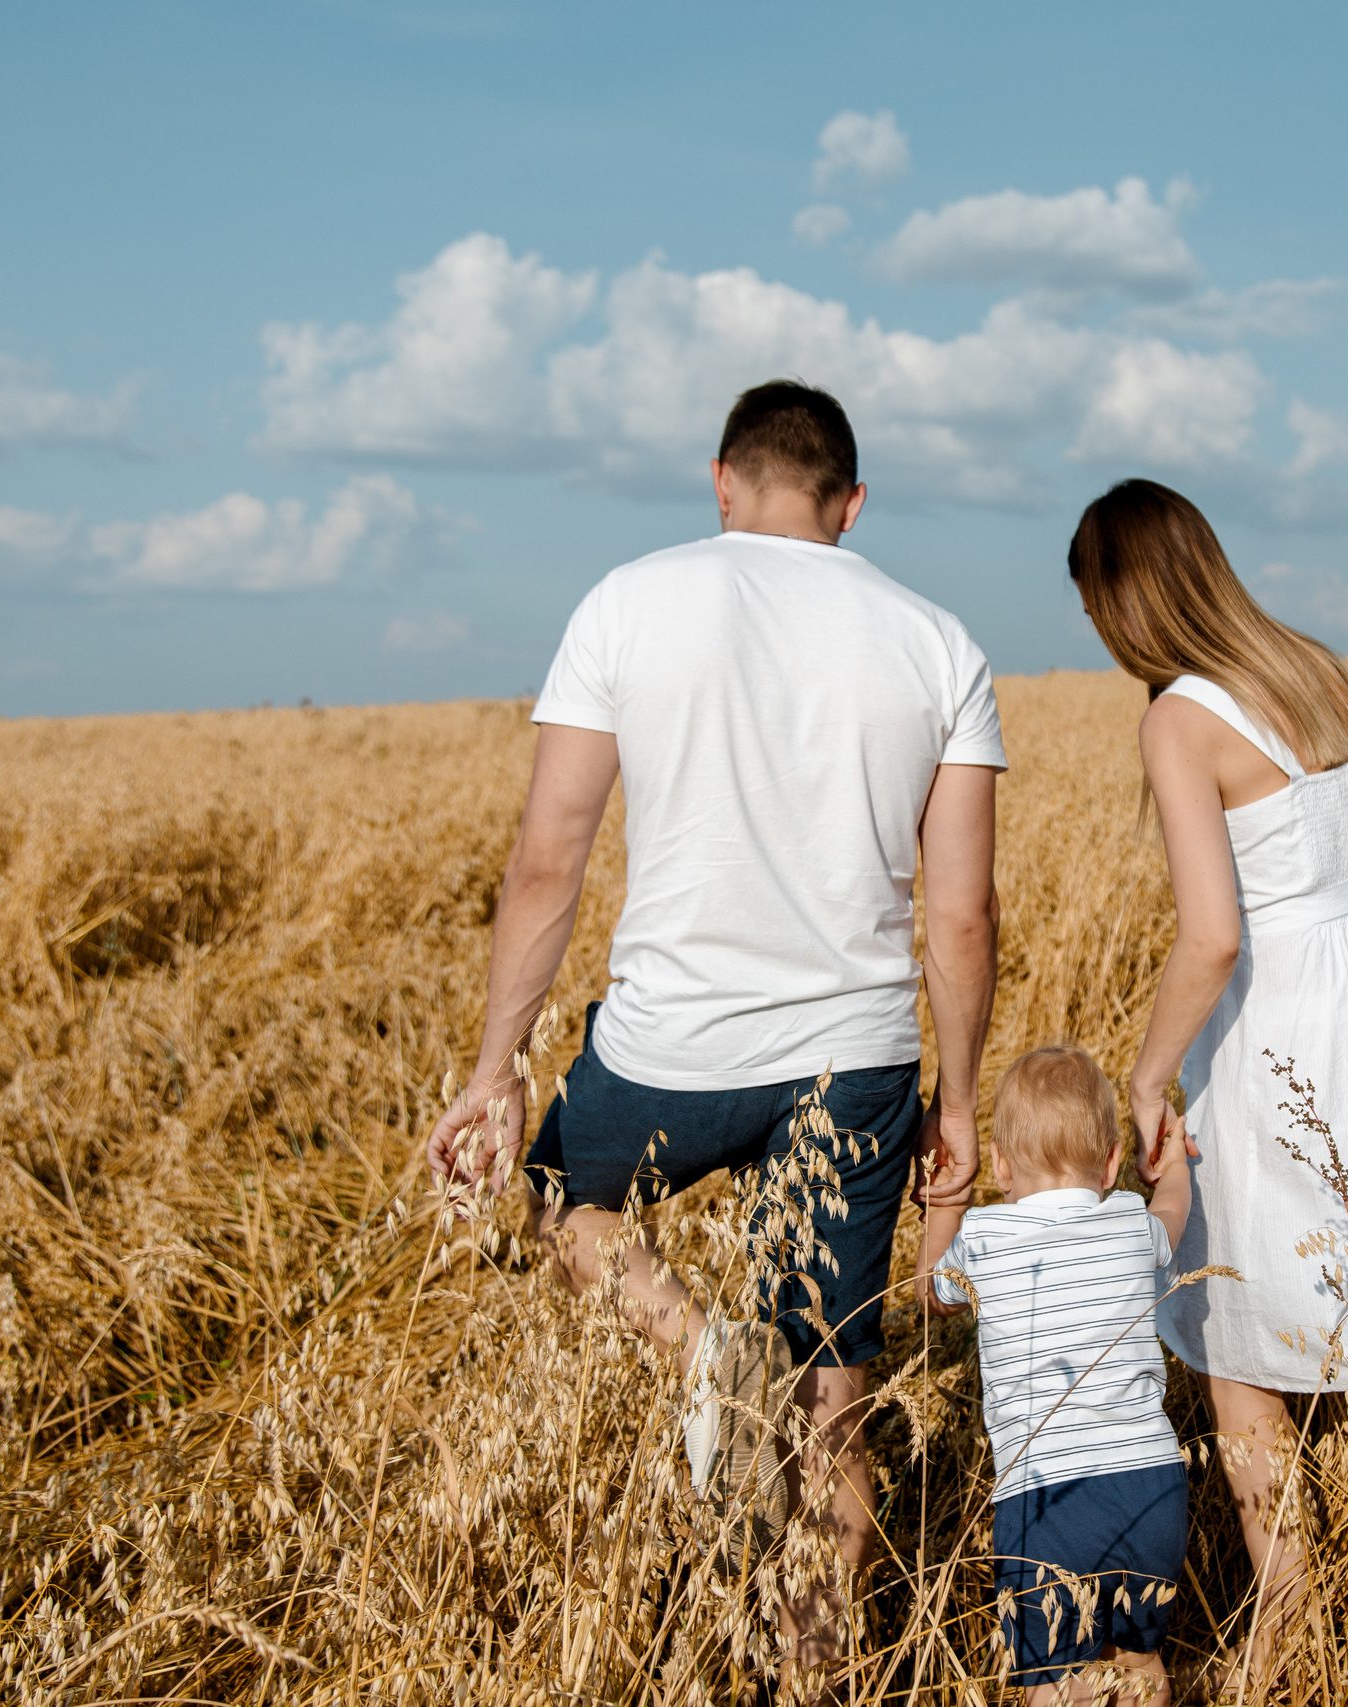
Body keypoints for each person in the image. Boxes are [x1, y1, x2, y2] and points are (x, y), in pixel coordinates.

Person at [424, 380, 1005, 1683]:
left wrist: (494, 1068)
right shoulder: (936, 638)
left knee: (550, 1188)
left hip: (663, 1049)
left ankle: (695, 1347)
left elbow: (546, 857)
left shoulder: (630, 597)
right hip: (855, 1063)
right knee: (830, 1421)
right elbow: (961, 914)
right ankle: (814, 1672)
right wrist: (954, 1103)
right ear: (851, 503)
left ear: (722, 480)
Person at [1064, 478, 1348, 1685]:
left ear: (1124, 602)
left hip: (1277, 1026)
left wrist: (1140, 1078)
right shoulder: (1309, 663)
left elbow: (1215, 935)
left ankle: (1283, 1636)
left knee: (1233, 1337)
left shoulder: (1179, 716)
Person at [918, 1045, 1193, 1707]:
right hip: (1149, 1488)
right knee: (1140, 1657)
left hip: (1045, 1502)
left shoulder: (982, 1235)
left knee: (1054, 1681)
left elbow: (930, 1291)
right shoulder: (1131, 1216)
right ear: (1108, 1162)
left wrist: (944, 1200)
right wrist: (1175, 1164)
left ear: (1003, 1164)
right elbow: (1174, 1216)